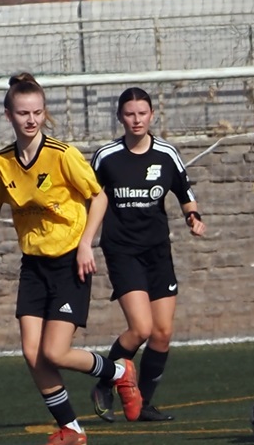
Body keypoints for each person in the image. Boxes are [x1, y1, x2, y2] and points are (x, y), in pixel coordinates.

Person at [0, 73, 140, 445]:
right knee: (32, 353)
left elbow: (99, 198)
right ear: (8, 115)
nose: (31, 119)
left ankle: (119, 370)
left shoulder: (62, 154)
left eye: (37, 112)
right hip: (33, 265)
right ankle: (71, 430)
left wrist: (86, 244)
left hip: (70, 262)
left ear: (44, 112)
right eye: (23, 113)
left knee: (54, 352)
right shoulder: (1, 162)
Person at [83, 87, 206, 423]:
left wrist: (193, 217)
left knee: (162, 332)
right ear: (120, 117)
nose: (136, 120)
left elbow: (185, 192)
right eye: (129, 114)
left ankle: (144, 403)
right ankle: (104, 383)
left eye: (142, 113)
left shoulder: (166, 153)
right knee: (140, 328)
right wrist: (84, 241)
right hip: (122, 251)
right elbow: (90, 199)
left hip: (157, 252)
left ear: (152, 115)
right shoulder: (107, 156)